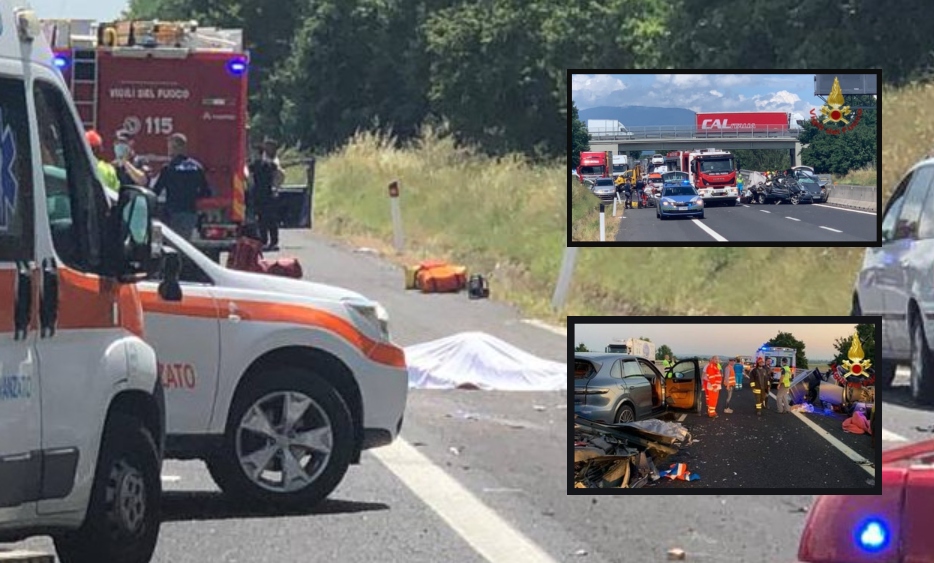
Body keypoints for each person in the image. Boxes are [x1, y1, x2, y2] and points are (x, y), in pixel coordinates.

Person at [152, 132, 211, 241]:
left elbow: (155, 191)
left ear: (177, 148)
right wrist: (193, 197)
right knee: (184, 245)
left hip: (171, 213)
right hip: (190, 213)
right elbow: (207, 192)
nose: (169, 150)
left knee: (171, 245)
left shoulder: (168, 168)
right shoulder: (197, 167)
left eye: (171, 147)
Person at [249, 138, 285, 251]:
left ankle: (265, 241)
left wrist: (251, 186)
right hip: (268, 194)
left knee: (262, 220)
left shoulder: (254, 166)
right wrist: (276, 187)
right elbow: (281, 175)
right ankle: (273, 242)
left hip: (260, 195)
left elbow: (248, 177)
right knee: (270, 220)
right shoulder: (270, 165)